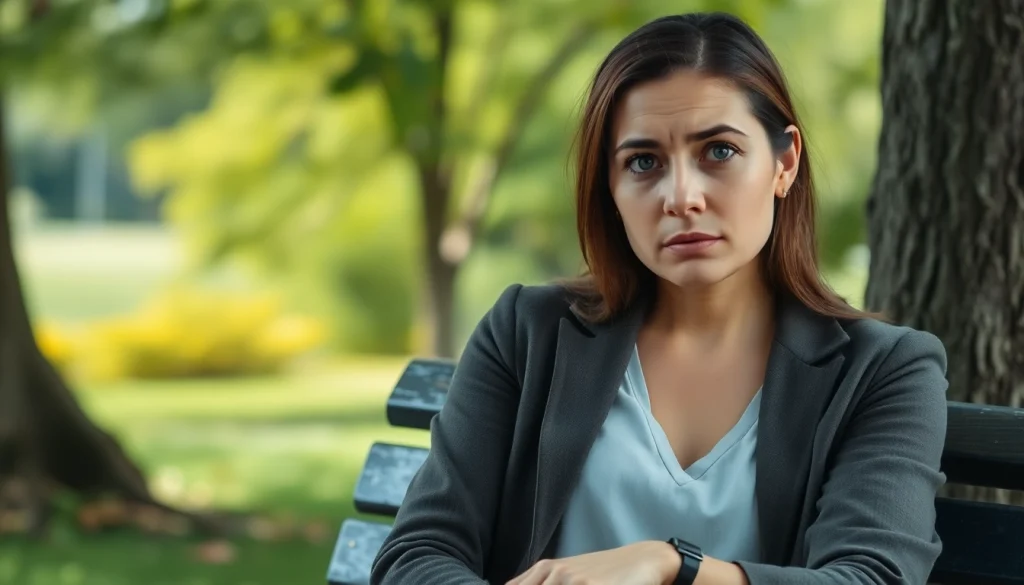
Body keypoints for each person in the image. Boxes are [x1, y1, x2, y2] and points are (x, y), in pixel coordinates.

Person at [370, 11, 948, 585]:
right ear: (611, 188)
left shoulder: (884, 370)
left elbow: (873, 577)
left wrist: (672, 565)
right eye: (643, 162)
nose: (681, 197)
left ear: (784, 163)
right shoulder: (527, 333)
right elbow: (417, 554)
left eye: (718, 151)